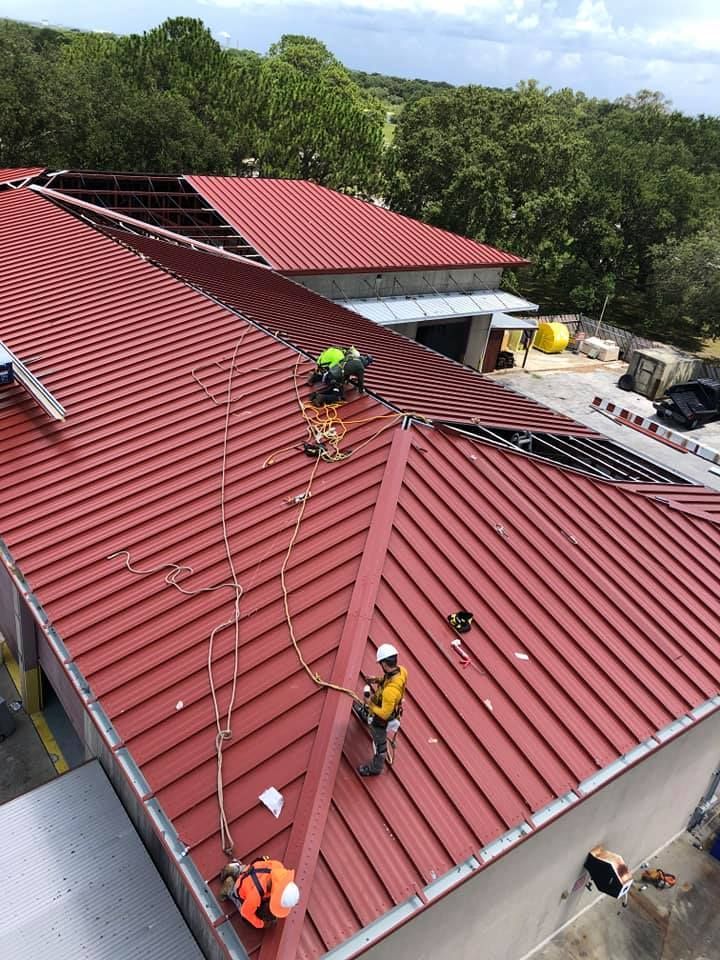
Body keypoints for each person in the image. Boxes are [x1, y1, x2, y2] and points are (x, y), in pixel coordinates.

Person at [355, 643, 408, 777]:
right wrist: (377, 680)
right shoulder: (401, 670)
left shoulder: (390, 692)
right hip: (385, 705)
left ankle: (376, 768)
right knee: (371, 712)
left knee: (380, 744)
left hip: (382, 719)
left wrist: (369, 705)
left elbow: (384, 714)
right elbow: (388, 680)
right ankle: (366, 715)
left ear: (384, 664)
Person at [219, 857, 300, 929]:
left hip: (251, 870)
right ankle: (230, 888)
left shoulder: (278, 866)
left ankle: (235, 868)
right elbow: (246, 913)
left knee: (246, 872)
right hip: (241, 888)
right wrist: (262, 924)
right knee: (243, 908)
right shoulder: (255, 897)